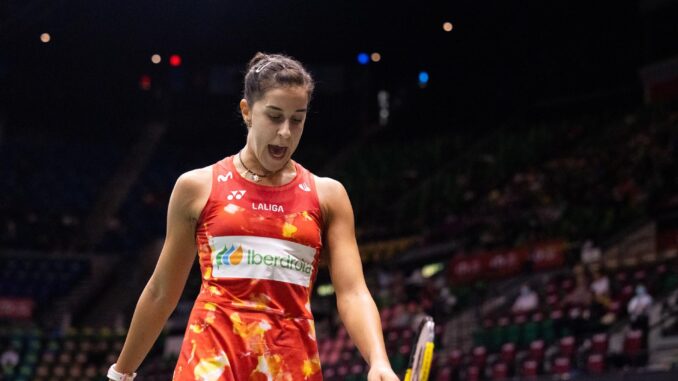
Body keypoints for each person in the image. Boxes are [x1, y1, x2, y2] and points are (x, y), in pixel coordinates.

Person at [107, 52, 399, 381]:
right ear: (247, 111)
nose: (286, 132)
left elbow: (353, 292)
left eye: (297, 119)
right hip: (210, 363)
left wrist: (378, 360)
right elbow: (162, 291)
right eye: (274, 117)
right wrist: (121, 373)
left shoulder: (327, 196)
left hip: (289, 366)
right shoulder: (198, 187)